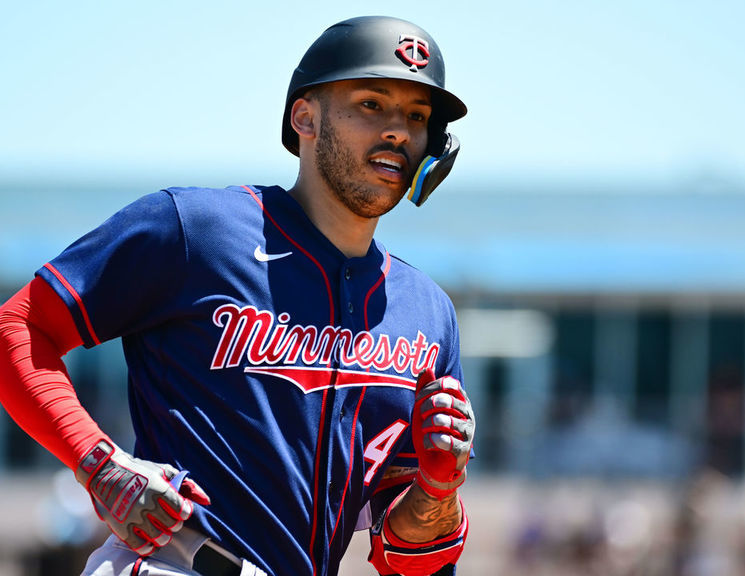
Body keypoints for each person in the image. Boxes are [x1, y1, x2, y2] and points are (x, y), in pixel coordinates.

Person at [0, 15, 475, 576]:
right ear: (306, 117)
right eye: (372, 103)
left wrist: (439, 491)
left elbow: (405, 559)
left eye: (416, 116)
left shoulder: (427, 312)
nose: (398, 130)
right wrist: (100, 466)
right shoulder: (196, 229)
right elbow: (20, 326)